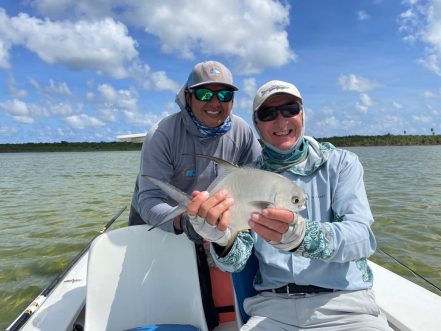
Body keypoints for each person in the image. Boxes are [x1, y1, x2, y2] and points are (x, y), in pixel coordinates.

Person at [185, 80, 393, 330]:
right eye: (268, 113)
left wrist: (304, 236)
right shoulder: (248, 176)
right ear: (257, 124)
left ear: (302, 114)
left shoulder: (341, 164)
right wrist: (219, 238)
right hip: (273, 307)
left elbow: (362, 239)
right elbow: (236, 262)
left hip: (346, 305)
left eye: (290, 109)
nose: (281, 120)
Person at [128, 60, 261, 330]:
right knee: (169, 293)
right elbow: (150, 199)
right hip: (162, 219)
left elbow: (259, 178)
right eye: (204, 93)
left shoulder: (243, 132)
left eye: (224, 94)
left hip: (215, 220)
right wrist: (185, 223)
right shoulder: (162, 134)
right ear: (187, 96)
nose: (215, 101)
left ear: (233, 99)